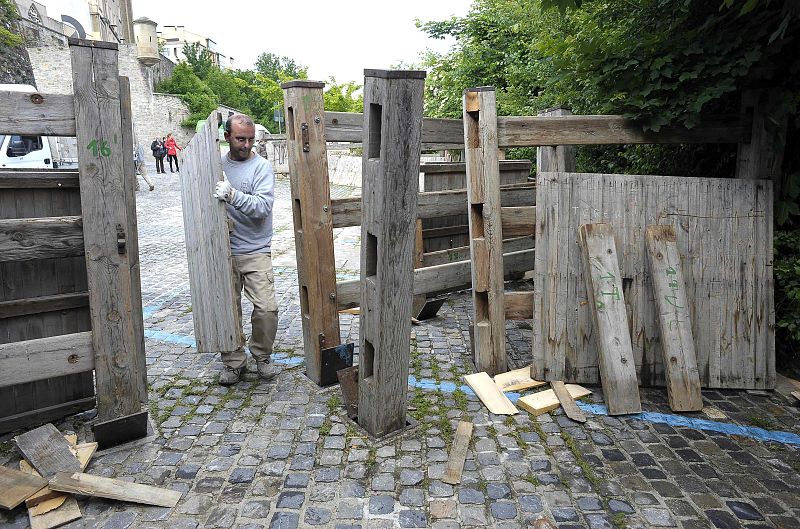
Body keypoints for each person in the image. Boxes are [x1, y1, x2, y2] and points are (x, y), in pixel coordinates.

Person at [214, 113, 279, 386]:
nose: (246, 144)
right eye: (241, 139)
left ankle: (262, 356)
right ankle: (233, 362)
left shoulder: (261, 167)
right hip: (223, 249)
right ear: (227, 136)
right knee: (227, 310)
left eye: (251, 139)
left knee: (267, 309)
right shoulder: (215, 165)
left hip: (255, 249)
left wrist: (232, 195)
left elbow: (262, 208)